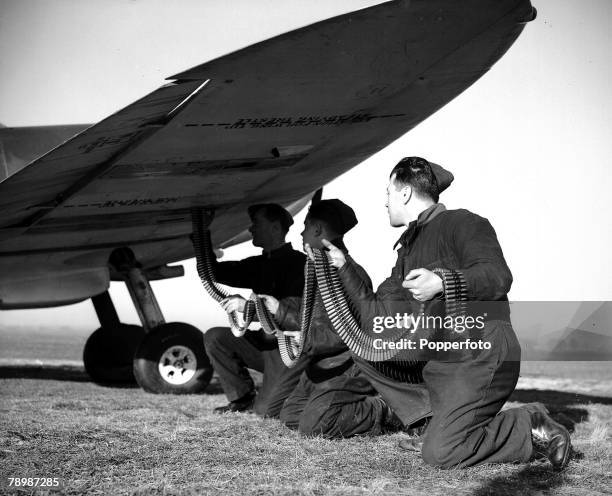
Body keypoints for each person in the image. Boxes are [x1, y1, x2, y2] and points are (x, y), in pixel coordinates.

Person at [322, 157, 571, 470]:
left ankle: (529, 423)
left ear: (404, 193)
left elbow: (497, 276)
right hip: (442, 359)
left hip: (481, 352)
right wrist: (344, 265)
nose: (384, 203)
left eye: (388, 193)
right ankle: (432, 424)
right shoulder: (407, 252)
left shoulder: (464, 223)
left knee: (442, 454)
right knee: (364, 350)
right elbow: (376, 317)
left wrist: (442, 281)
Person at [260, 199, 407, 438]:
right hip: (321, 364)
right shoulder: (318, 269)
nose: (301, 231)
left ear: (318, 230)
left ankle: (386, 410)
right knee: (290, 418)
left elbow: (347, 333)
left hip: (347, 367)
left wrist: (306, 341)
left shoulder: (351, 275)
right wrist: (279, 311)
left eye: (306, 225)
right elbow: (313, 323)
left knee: (315, 426)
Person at [201, 204, 307, 417]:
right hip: (263, 345)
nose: (250, 229)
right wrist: (203, 233)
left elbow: (294, 317)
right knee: (215, 337)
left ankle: (296, 389)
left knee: (266, 412)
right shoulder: (259, 264)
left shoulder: (298, 265)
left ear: (275, 228)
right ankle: (242, 399)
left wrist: (246, 307)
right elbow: (212, 272)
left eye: (256, 223)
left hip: (286, 352)